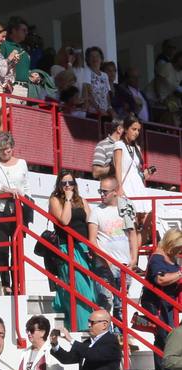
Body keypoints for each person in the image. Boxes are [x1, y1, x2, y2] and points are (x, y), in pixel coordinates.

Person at [48, 170, 96, 331]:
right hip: (67, 248)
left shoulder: (82, 200)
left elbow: (91, 222)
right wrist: (67, 199)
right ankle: (83, 328)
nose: (68, 186)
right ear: (59, 185)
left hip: (83, 248)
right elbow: (65, 220)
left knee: (89, 288)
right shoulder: (55, 200)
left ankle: (86, 325)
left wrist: (92, 245)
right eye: (64, 183)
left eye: (71, 183)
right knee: (79, 288)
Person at [0, 132, 31, 291]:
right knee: (3, 247)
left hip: (19, 209)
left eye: (8, 149)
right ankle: (5, 284)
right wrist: (5, 189)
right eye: (2, 150)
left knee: (17, 247)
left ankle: (17, 282)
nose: (5, 153)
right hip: (0, 208)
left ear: (12, 147)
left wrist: (27, 200)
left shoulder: (22, 162)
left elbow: (26, 185)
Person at [88, 175, 138, 322]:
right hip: (104, 265)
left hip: (124, 264)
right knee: (105, 302)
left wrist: (134, 259)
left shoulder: (125, 209)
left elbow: (133, 235)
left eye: (105, 191)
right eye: (100, 191)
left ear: (115, 191)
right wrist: (106, 260)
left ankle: (120, 338)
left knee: (120, 304)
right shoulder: (96, 211)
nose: (101, 194)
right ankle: (105, 338)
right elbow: (92, 240)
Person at [144, 228, 182, 370]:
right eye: (178, 247)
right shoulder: (158, 258)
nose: (179, 251)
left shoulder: (170, 257)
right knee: (166, 338)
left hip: (168, 305)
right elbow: (160, 279)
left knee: (165, 338)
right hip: (158, 304)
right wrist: (180, 274)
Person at [115, 115, 154, 248]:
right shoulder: (119, 145)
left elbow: (136, 170)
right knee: (132, 225)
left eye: (138, 130)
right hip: (127, 187)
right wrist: (119, 187)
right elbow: (118, 167)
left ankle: (134, 255)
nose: (136, 133)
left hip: (138, 186)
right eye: (133, 129)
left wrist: (145, 175)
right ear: (126, 129)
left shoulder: (136, 147)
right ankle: (132, 258)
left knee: (147, 218)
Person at [0, 17, 42, 97]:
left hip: (27, 90)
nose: (26, 33)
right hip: (12, 89)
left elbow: (22, 70)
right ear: (14, 31)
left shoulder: (24, 51)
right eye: (23, 30)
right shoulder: (4, 45)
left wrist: (32, 75)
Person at [81, 47, 112, 117]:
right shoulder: (87, 72)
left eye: (97, 56)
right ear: (88, 60)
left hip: (105, 112)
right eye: (92, 56)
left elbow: (107, 95)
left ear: (101, 59)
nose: (95, 58)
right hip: (93, 112)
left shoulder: (105, 75)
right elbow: (88, 93)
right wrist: (99, 109)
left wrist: (110, 109)